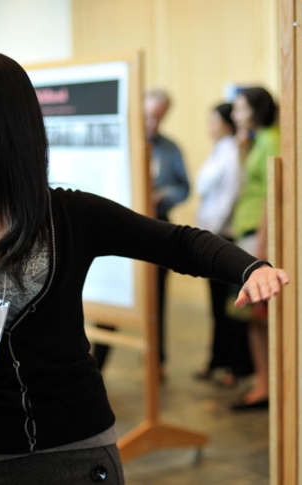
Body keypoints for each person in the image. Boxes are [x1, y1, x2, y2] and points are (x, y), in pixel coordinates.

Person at [0, 51, 289, 485]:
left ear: (9, 128)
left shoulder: (65, 216)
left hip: (82, 458)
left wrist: (250, 268)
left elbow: (176, 242)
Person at [92, 88, 190, 373]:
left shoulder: (171, 148)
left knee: (156, 297)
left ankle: (156, 360)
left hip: (157, 223)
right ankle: (99, 361)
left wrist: (164, 194)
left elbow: (183, 186)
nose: (153, 125)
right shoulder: (120, 144)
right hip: (120, 224)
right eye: (149, 117)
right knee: (113, 293)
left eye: (159, 118)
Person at [193, 102, 252, 387]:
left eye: (213, 120)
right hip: (210, 233)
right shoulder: (220, 150)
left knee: (227, 307)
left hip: (220, 236)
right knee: (216, 306)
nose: (209, 125)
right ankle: (217, 359)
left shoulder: (230, 153)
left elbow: (229, 196)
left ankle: (231, 365)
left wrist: (211, 237)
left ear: (226, 123)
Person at [228, 87, 280, 411]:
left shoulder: (272, 139)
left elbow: (270, 196)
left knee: (260, 317)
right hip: (247, 233)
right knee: (253, 317)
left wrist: (262, 247)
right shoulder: (257, 140)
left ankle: (267, 385)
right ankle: (263, 382)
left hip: (258, 239)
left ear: (256, 109)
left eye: (240, 108)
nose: (235, 115)